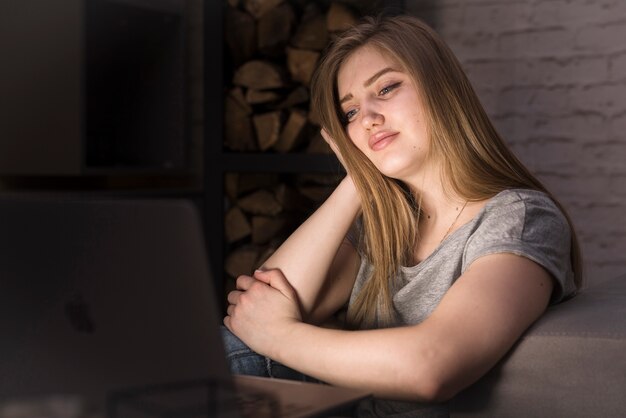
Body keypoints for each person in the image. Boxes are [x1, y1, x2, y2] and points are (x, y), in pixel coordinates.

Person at [222, 15, 582, 417]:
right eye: (350, 113)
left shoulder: (519, 217)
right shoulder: (384, 227)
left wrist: (279, 336)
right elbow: (256, 310)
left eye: (387, 88)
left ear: (441, 89)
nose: (368, 118)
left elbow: (431, 367)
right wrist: (356, 182)